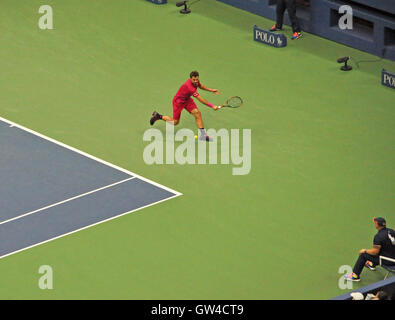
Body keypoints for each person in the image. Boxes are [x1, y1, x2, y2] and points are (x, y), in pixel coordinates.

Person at [150, 71, 220, 141]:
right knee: (175, 122)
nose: (196, 81)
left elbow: (200, 85)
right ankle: (158, 116)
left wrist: (211, 90)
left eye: (197, 79)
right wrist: (212, 106)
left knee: (197, 113)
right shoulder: (190, 87)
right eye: (194, 80)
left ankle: (203, 135)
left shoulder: (196, 82)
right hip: (178, 102)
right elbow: (200, 99)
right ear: (190, 79)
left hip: (187, 100)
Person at [345, 217, 395, 282]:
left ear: (377, 224)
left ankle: (355, 276)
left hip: (388, 262)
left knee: (363, 255)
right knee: (383, 249)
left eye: (375, 223)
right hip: (392, 256)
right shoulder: (392, 231)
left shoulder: (378, 237)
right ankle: (372, 264)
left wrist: (365, 250)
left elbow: (375, 252)